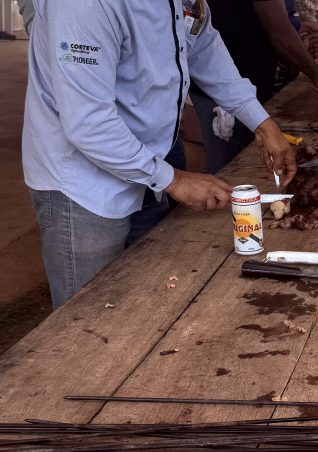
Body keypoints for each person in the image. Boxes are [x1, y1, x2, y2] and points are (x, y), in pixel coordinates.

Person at [23, 0, 297, 310]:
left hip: (150, 165)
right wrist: (175, 181)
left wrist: (261, 123)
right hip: (85, 187)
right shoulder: (82, 5)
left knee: (148, 299)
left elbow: (204, 46)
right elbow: (88, 122)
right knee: (87, 315)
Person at [188, 0, 318, 173]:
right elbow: (279, 32)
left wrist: (300, 36)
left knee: (250, 161)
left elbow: (276, 21)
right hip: (224, 91)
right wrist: (315, 72)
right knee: (231, 168)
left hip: (241, 88)